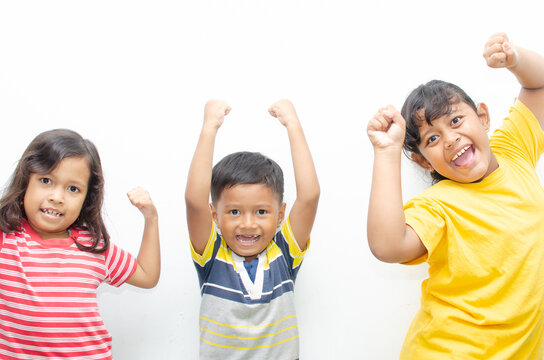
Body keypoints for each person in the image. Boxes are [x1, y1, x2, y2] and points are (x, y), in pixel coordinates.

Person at [367, 33, 544, 359]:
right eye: (432, 138)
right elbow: (388, 245)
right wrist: (387, 151)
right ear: (422, 160)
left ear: (484, 117)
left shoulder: (515, 149)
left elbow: (539, 85)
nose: (450, 138)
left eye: (456, 120)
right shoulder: (438, 205)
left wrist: (515, 59)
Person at [0, 129, 160, 359]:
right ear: (26, 181)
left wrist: (151, 219)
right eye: (46, 180)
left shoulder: (92, 246)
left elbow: (147, 275)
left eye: (73, 188)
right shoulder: (6, 238)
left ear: (87, 198)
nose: (57, 196)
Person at [185, 99, 319, 359]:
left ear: (280, 214)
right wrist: (209, 128)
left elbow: (310, 196)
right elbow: (194, 201)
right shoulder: (212, 256)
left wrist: (292, 125)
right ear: (215, 215)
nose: (248, 224)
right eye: (234, 212)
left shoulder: (284, 253)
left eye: (261, 211)